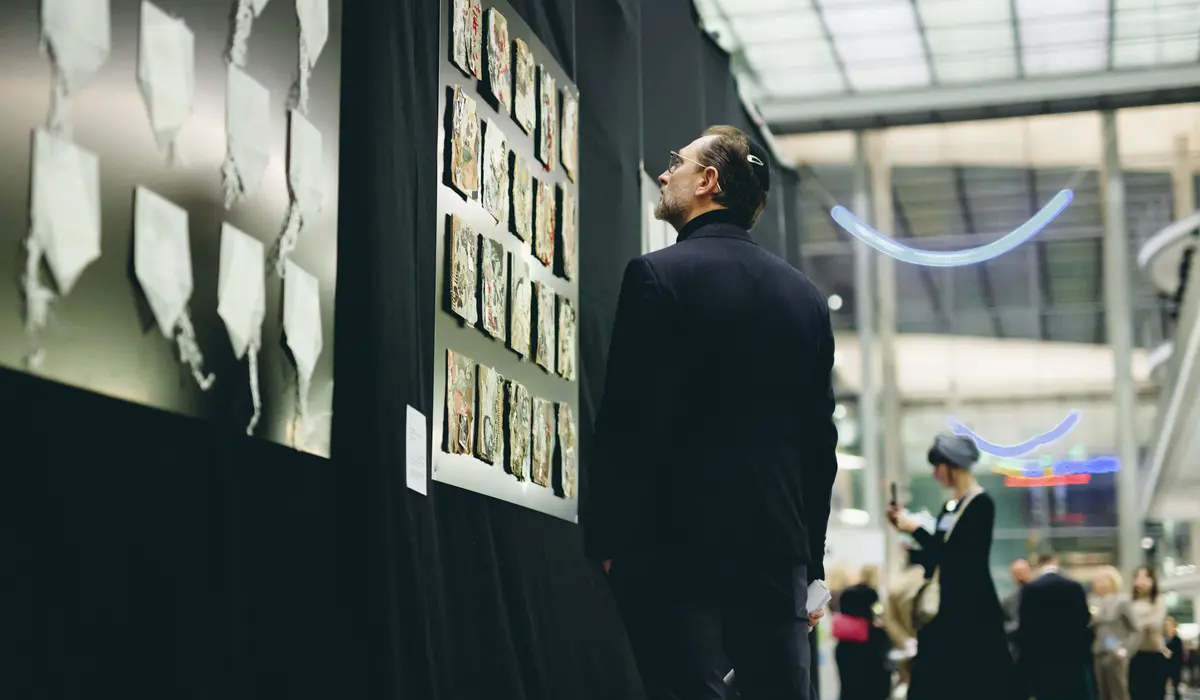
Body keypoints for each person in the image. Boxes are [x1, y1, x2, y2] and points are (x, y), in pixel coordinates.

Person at [584, 125, 839, 700]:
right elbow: (817, 446)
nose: (665, 170)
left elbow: (627, 422)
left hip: (673, 549)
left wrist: (608, 537)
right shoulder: (806, 298)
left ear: (708, 181)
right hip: (776, 555)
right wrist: (811, 567)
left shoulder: (657, 276)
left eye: (678, 161)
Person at [885, 434, 1013, 700]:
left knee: (969, 682)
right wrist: (907, 535)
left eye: (937, 466)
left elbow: (962, 557)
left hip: (972, 611)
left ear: (952, 465)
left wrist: (916, 529)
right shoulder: (951, 506)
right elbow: (939, 554)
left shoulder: (980, 504)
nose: (934, 474)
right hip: (948, 606)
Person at [1014, 552, 1094, 700]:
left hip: (1042, 656)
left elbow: (1025, 625)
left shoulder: (1031, 588)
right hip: (1071, 655)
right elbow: (1085, 618)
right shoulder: (1074, 586)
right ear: (1056, 562)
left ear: (1038, 564)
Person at [835, 566, 891, 700]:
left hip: (847, 648)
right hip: (870, 648)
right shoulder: (876, 636)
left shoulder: (843, 642)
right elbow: (882, 680)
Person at [1090, 566, 1136, 700]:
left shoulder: (1123, 601)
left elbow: (1135, 629)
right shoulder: (1094, 601)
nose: (1096, 582)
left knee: (1119, 691)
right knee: (1101, 692)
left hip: (1116, 651)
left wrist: (1126, 650)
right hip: (1098, 651)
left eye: (1101, 579)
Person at [1127, 566, 1168, 700]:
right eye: (1138, 577)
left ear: (1153, 581)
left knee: (1155, 695)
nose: (1142, 581)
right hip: (1134, 656)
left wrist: (1138, 623)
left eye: (1146, 577)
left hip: (1154, 655)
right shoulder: (1129, 602)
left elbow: (1156, 623)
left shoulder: (1159, 600)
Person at [1002, 559, 1032, 660]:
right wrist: (1017, 627)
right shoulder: (1008, 601)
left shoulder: (1044, 596)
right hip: (1018, 654)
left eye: (1022, 571)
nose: (1020, 575)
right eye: (1017, 573)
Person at [1166, 616, 1183, 700]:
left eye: (1169, 625)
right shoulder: (1165, 639)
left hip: (1175, 666)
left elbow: (1174, 654)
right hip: (1164, 666)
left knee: (1176, 687)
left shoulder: (1177, 640)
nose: (1168, 627)